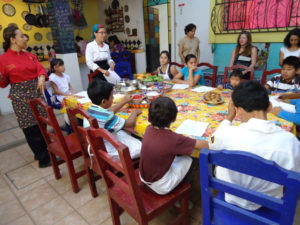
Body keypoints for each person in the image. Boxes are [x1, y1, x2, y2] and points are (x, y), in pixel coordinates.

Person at [209, 81, 300, 210]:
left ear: (238, 110)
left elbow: (211, 142)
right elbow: (295, 179)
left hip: (232, 197)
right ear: (269, 106)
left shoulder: (226, 134)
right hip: (269, 204)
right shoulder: (291, 143)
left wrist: (229, 117)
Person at [0, 26, 51, 168]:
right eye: (21, 36)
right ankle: (43, 158)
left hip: (37, 93)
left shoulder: (30, 55)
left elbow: (40, 68)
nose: (25, 38)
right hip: (21, 97)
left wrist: (41, 77)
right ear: (13, 40)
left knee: (42, 123)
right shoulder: (3, 59)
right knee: (30, 127)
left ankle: (44, 151)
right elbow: (3, 83)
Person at [139, 96, 208, 195]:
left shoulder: (148, 128)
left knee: (178, 153)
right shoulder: (174, 139)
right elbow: (203, 145)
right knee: (192, 158)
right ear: (175, 118)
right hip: (160, 185)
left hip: (144, 176)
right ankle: (183, 191)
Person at [84, 79, 141, 159]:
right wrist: (135, 112)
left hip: (98, 146)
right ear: (104, 101)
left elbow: (109, 111)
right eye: (111, 97)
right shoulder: (108, 116)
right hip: (109, 150)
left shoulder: (90, 109)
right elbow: (130, 123)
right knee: (143, 146)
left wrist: (125, 101)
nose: (113, 98)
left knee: (123, 132)